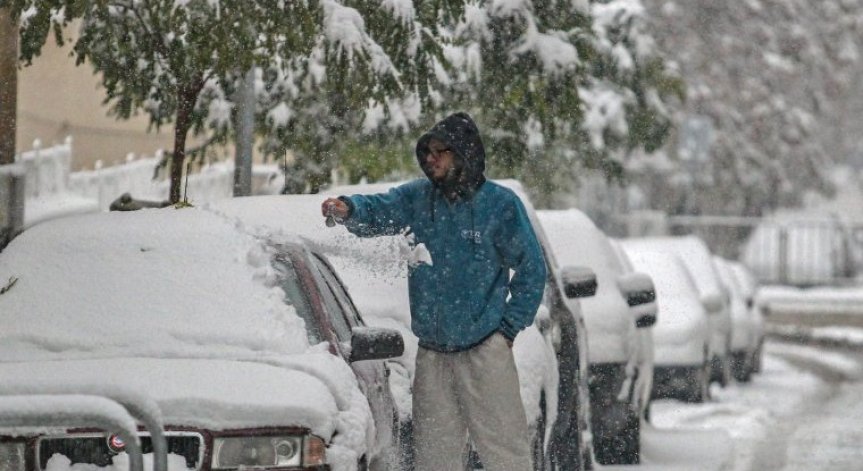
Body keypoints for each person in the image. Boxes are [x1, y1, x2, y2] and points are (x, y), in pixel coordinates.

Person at [321, 112, 547, 471]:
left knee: (506, 455)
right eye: (427, 152)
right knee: (433, 459)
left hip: (485, 352)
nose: (431, 159)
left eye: (440, 151)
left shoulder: (499, 205)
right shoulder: (419, 199)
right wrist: (350, 209)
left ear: (464, 154)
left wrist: (507, 329)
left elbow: (533, 270)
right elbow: (381, 209)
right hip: (433, 355)